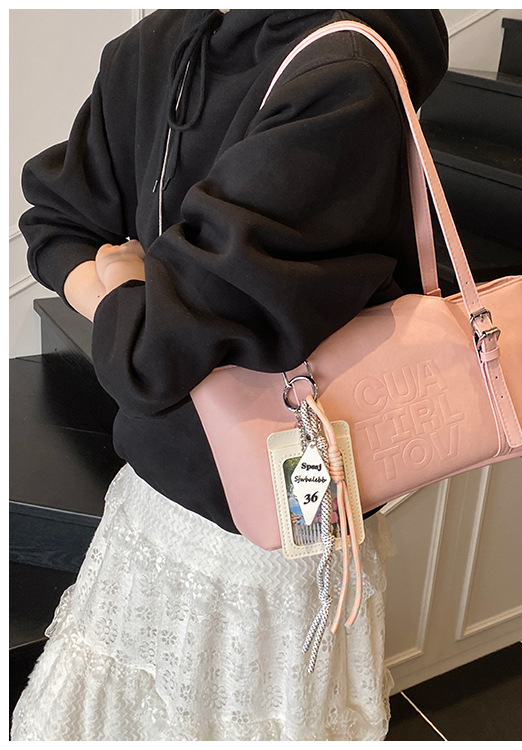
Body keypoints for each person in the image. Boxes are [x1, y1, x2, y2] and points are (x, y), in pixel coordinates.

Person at [10, 9, 448, 741]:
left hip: (272, 516)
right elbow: (60, 222)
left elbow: (148, 351)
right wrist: (128, 307)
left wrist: (121, 288)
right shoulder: (159, 45)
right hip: (173, 498)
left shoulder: (342, 75)